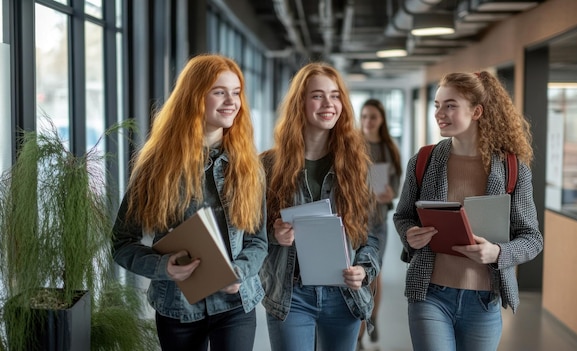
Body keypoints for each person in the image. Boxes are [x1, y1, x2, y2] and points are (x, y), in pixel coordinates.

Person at [111, 54, 267, 351]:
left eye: (236, 93)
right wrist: (162, 267)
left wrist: (241, 271)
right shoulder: (156, 166)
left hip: (236, 304)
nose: (231, 101)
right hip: (177, 307)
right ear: (194, 97)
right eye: (219, 92)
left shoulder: (248, 165)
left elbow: (258, 241)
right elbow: (121, 243)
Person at [393, 71, 543, 351]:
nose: (440, 113)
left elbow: (532, 238)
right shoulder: (423, 160)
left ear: (476, 111)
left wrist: (498, 253)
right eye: (437, 105)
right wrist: (409, 234)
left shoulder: (512, 169)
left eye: (450, 105)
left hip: (483, 301)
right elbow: (403, 216)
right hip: (430, 294)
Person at [260, 62, 381, 351]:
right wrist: (272, 234)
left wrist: (364, 269)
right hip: (291, 295)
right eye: (317, 95)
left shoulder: (358, 167)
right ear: (300, 103)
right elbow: (247, 234)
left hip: (343, 294)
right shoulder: (267, 165)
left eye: (335, 95)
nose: (328, 103)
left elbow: (371, 236)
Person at [357, 98, 402, 348]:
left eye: (372, 117)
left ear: (381, 119)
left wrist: (389, 193)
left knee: (374, 275)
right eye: (364, 116)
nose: (367, 121)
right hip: (355, 221)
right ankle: (359, 334)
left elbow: (395, 184)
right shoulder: (352, 144)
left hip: (377, 222)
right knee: (358, 277)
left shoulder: (387, 148)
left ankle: (372, 317)